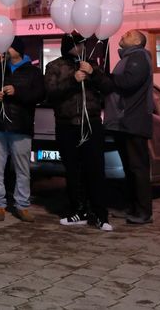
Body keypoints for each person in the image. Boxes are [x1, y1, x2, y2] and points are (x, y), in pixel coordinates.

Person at [45, 33, 114, 231]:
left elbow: (108, 87)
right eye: (78, 45)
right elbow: (51, 93)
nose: (82, 48)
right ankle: (78, 210)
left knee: (95, 170)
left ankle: (101, 215)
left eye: (84, 44)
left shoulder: (91, 64)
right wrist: (72, 80)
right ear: (69, 46)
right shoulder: (55, 66)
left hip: (91, 123)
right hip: (67, 125)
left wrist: (94, 73)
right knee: (73, 171)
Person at [0, 36, 44, 222]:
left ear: (17, 49)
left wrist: (18, 93)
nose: (4, 48)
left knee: (22, 169)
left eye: (8, 46)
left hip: (20, 126)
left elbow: (39, 94)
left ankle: (22, 205)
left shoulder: (33, 71)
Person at [104, 29, 154, 224]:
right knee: (130, 167)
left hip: (133, 120)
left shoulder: (138, 57)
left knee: (137, 167)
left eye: (129, 33)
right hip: (123, 122)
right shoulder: (128, 58)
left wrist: (106, 78)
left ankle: (143, 211)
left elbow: (129, 82)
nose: (123, 34)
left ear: (137, 41)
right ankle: (133, 207)